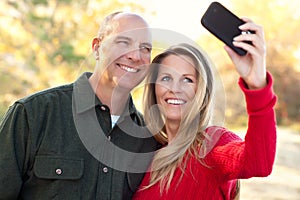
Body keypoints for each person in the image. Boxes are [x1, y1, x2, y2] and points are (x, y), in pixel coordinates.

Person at [0, 12, 160, 199]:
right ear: (97, 48)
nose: (135, 55)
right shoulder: (33, 114)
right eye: (123, 42)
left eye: (145, 48)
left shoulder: (149, 140)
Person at [133, 18, 277, 200]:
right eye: (166, 78)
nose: (174, 88)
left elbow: (259, 163)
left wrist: (257, 86)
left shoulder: (212, 145)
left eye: (187, 79)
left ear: (201, 90)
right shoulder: (148, 154)